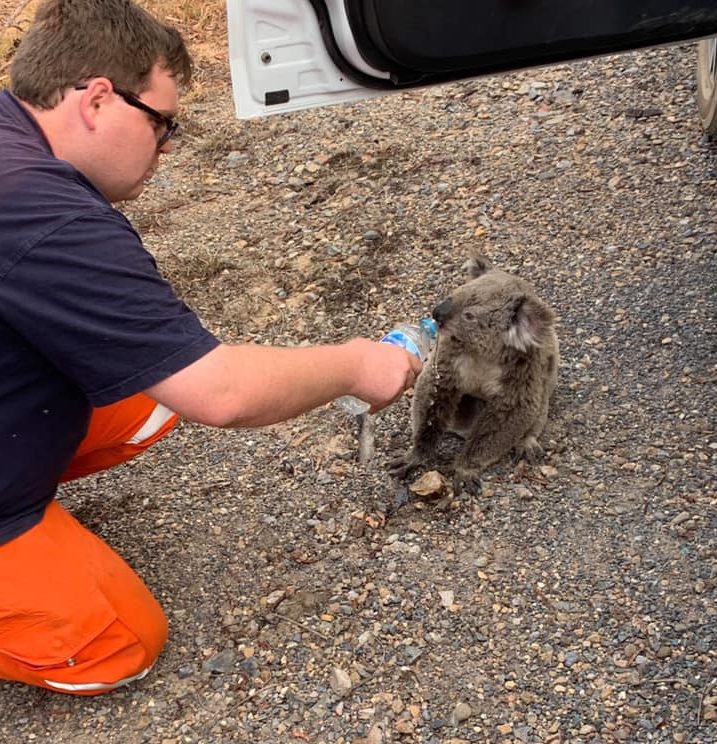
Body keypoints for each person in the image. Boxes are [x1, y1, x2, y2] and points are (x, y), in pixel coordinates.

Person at [0, 0, 422, 696]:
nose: (166, 147)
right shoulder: (43, 213)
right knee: (115, 645)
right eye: (162, 124)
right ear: (98, 98)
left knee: (145, 394)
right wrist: (360, 363)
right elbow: (220, 392)